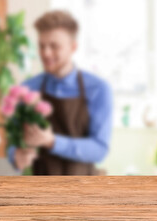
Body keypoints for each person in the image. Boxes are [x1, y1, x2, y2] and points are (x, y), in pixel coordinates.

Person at [7, 10, 113, 175]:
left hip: (84, 193)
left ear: (73, 47)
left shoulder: (98, 89)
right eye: (42, 46)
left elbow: (100, 149)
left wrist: (52, 142)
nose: (46, 53)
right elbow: (12, 141)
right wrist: (15, 155)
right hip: (39, 193)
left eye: (54, 46)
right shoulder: (28, 88)